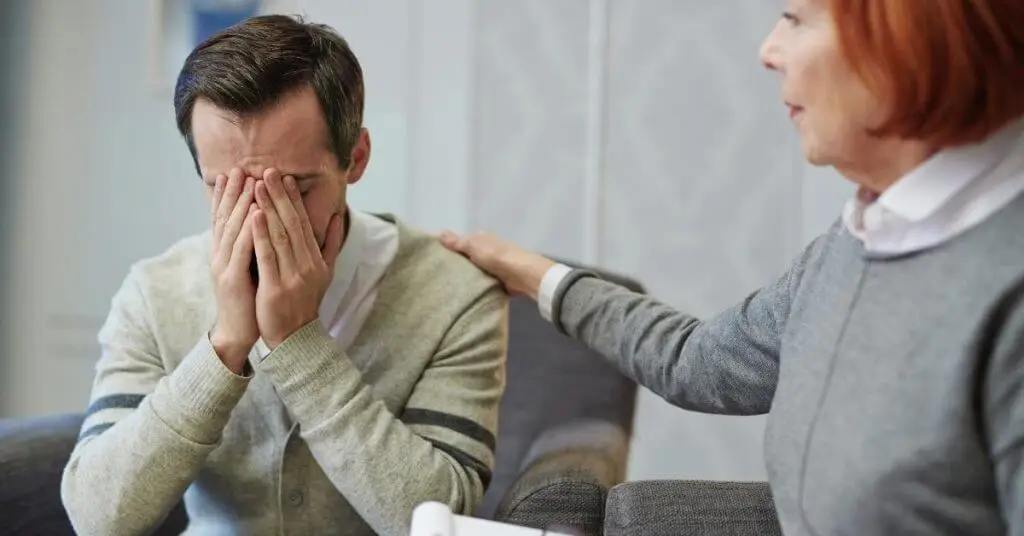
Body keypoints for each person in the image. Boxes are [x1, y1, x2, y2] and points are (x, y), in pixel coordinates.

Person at [442, 0, 1024, 534]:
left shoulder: (1004, 287)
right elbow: (698, 361)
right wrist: (533, 273)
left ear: (907, 35)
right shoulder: (853, 243)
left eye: (795, 19)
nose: (769, 51)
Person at [60, 15, 507, 536]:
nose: (259, 221)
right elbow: (96, 518)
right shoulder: (155, 291)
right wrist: (225, 345)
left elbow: (437, 519)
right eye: (225, 189)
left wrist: (298, 344)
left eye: (292, 188)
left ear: (356, 158)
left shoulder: (456, 294)